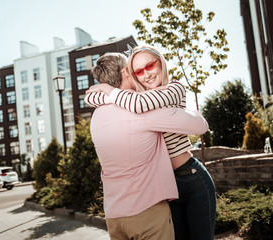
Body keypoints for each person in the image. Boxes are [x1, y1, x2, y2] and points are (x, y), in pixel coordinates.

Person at [85, 45, 216, 240]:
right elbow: (93, 97)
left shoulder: (171, 88)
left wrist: (106, 88)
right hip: (164, 187)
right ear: (130, 74)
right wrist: (102, 91)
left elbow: (134, 103)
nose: (145, 74)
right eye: (138, 71)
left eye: (150, 65)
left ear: (161, 63)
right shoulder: (135, 98)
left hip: (190, 176)